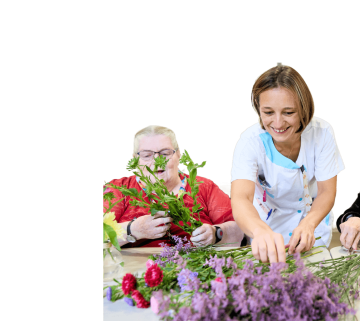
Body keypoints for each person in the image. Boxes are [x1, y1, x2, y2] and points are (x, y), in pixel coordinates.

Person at [230, 63, 345, 264]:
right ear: (258, 108)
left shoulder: (322, 132)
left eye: (288, 112)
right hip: (267, 229)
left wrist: (309, 224)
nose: (278, 123)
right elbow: (241, 198)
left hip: (313, 228)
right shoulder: (250, 142)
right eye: (268, 112)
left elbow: (327, 190)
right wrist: (260, 231)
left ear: (303, 109)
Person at [103, 125, 244, 248]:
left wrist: (216, 234)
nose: (157, 162)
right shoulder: (120, 189)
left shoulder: (203, 186)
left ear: (178, 154)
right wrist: (132, 230)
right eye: (147, 155)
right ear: (135, 160)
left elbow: (240, 229)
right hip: (132, 272)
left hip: (196, 270)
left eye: (165, 154)